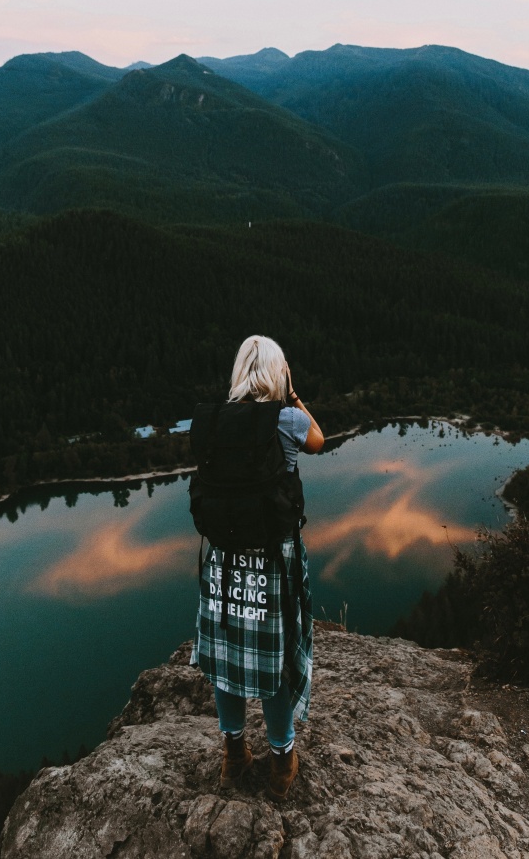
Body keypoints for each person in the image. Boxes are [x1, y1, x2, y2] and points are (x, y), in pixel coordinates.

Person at [189, 334, 324, 801]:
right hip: (273, 557)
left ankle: (233, 756)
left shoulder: (211, 420)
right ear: (277, 372)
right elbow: (319, 440)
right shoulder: (286, 418)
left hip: (223, 558)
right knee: (274, 658)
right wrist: (295, 395)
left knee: (227, 655)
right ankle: (282, 762)